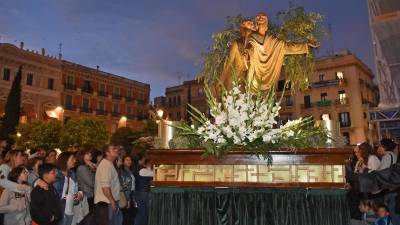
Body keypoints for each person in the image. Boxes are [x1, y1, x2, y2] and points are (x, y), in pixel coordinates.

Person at [55, 152, 85, 225]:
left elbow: (78, 187)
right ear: (65, 160)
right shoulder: (56, 174)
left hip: (71, 208)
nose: (75, 160)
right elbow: (54, 195)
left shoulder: (72, 173)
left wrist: (80, 193)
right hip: (61, 211)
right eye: (72, 159)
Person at [94, 145, 121, 225]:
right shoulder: (106, 165)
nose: (116, 150)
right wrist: (112, 201)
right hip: (106, 203)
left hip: (108, 202)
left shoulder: (109, 164)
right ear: (107, 153)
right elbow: (105, 187)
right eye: (114, 149)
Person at [76, 149, 96, 225]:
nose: (90, 154)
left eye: (90, 153)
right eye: (87, 153)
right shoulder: (82, 168)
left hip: (90, 196)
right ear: (82, 156)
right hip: (87, 197)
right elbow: (92, 183)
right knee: (88, 220)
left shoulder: (88, 167)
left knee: (90, 219)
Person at [134, 156, 153, 225]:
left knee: (142, 212)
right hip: (143, 192)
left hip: (140, 192)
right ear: (140, 161)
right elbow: (153, 174)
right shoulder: (141, 170)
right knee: (143, 213)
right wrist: (149, 166)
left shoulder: (136, 168)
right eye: (143, 160)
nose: (144, 161)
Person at [119, 155, 136, 225]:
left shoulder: (130, 171)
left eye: (130, 160)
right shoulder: (122, 172)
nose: (129, 161)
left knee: (131, 216)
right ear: (123, 162)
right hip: (126, 195)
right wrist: (128, 199)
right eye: (127, 160)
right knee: (126, 216)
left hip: (131, 194)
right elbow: (123, 186)